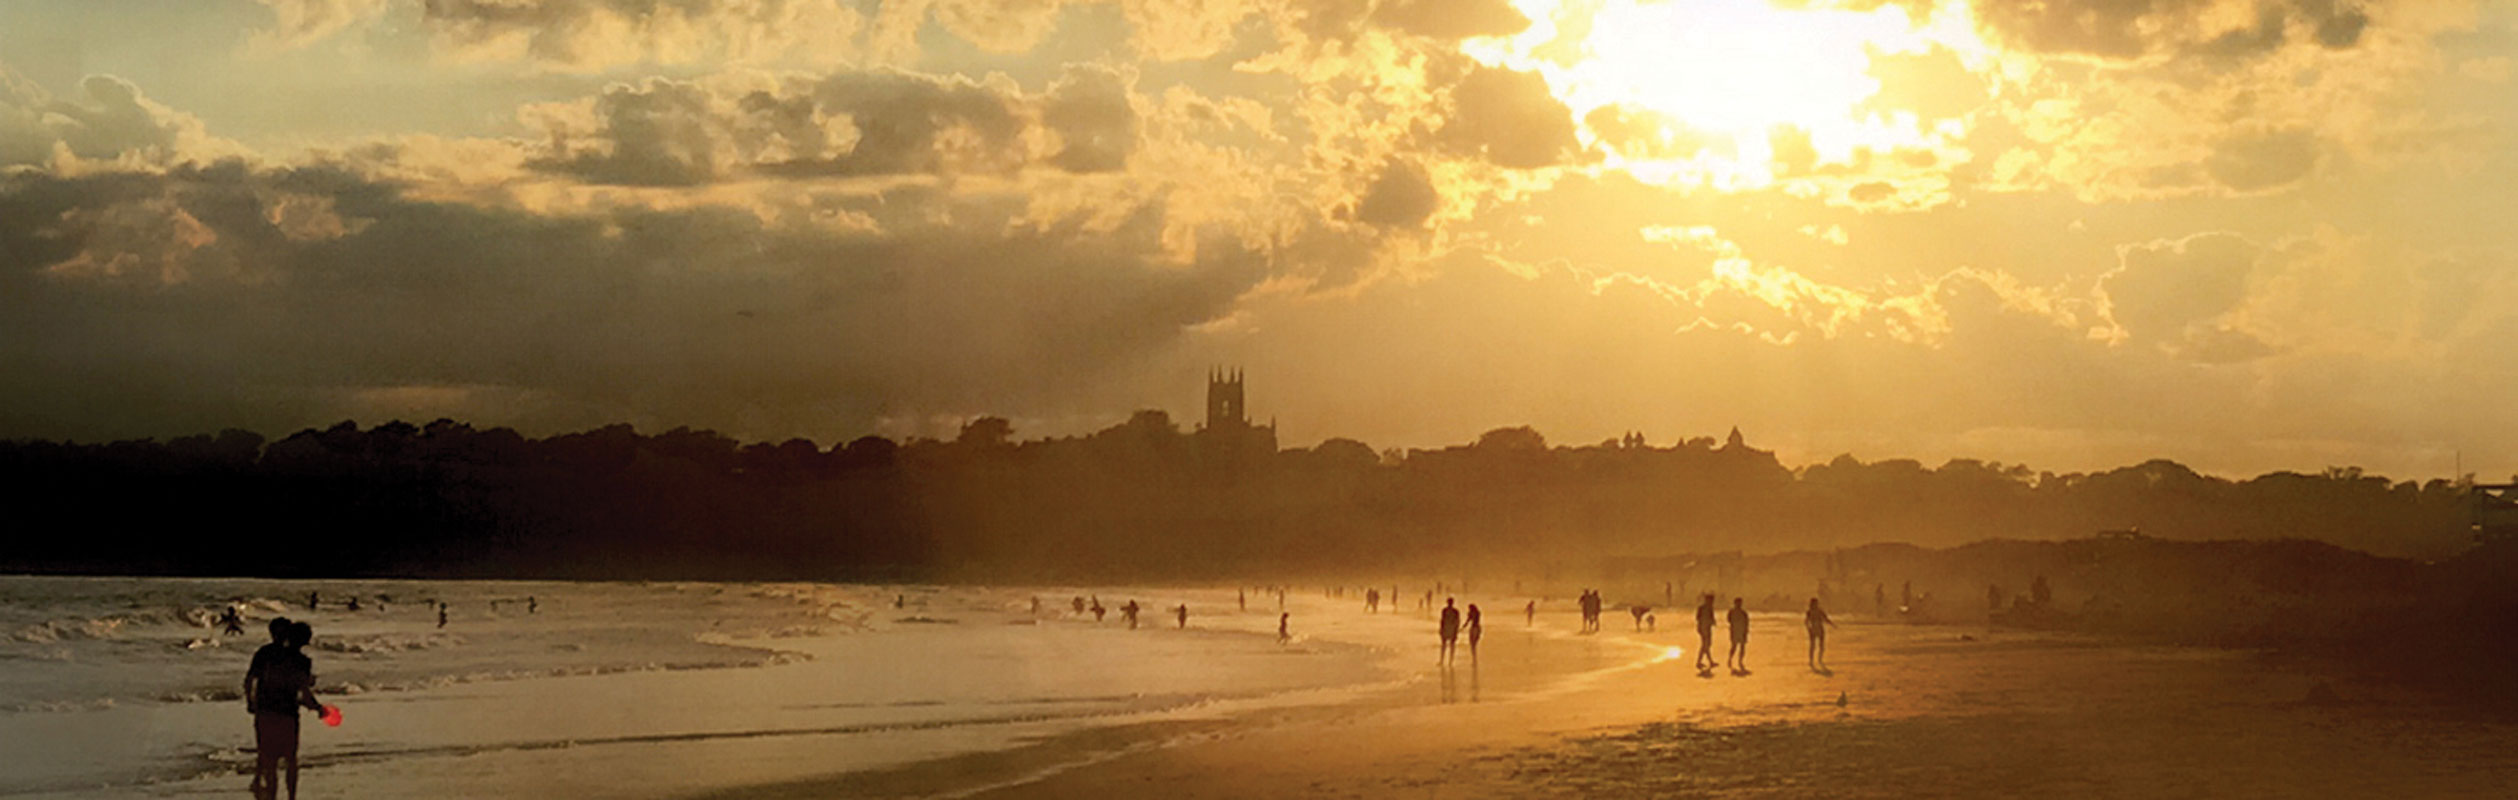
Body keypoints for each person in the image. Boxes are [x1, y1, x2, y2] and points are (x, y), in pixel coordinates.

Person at [245, 620, 324, 800]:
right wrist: (317, 708)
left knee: (268, 760)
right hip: (288, 714)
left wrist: (250, 701)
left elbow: (250, 679)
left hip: (265, 710)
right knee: (290, 760)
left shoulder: (265, 654)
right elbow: (302, 692)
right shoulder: (301, 662)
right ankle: (291, 797)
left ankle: (270, 794)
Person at [1806, 598, 1838, 669]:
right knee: (1813, 646)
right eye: (1815, 603)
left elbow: (1826, 619)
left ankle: (1819, 660)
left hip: (1819, 630)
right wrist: (1809, 629)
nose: (1816, 605)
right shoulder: (1810, 612)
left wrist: (1832, 624)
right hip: (1814, 630)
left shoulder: (1819, 611)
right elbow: (1807, 622)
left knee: (1820, 646)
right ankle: (1812, 660)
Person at [1726, 598, 1751, 672]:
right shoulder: (1732, 612)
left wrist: (1746, 631)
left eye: (1740, 603)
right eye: (1738, 603)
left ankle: (1740, 661)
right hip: (1735, 631)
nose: (1739, 604)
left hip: (1742, 631)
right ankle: (1730, 659)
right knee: (1734, 646)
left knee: (1742, 647)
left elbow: (1746, 623)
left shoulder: (1743, 613)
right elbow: (1729, 620)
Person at [1695, 595, 1719, 670]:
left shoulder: (1708, 608)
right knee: (1706, 645)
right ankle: (1700, 661)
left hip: (1706, 628)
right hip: (1704, 629)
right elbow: (1698, 618)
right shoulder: (1703, 608)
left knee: (1706, 645)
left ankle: (1706, 661)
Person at [1437, 598, 1462, 665]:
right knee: (1446, 645)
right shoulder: (1446, 611)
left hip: (1450, 629)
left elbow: (1457, 621)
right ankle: (1445, 661)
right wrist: (1441, 629)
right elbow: (1442, 620)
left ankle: (1448, 661)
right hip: (1447, 629)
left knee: (1448, 645)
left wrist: (1456, 631)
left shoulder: (1453, 611)